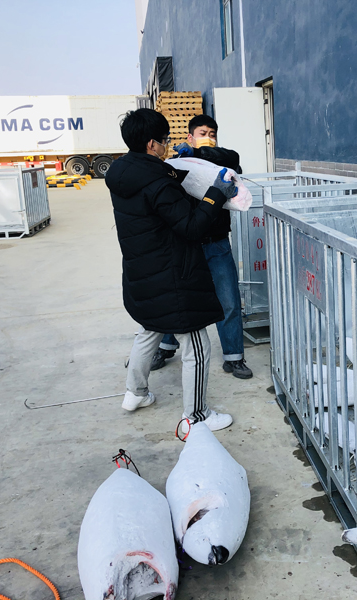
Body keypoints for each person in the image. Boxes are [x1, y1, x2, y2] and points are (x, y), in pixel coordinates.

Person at [106, 108, 238, 431]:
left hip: (141, 272)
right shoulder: (158, 183)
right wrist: (215, 194)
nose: (167, 145)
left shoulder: (123, 173)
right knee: (198, 345)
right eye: (164, 140)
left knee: (149, 329)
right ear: (151, 144)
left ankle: (135, 393)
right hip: (172, 275)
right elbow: (191, 226)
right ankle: (196, 416)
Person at [150, 115, 253, 380]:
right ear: (189, 137)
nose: (208, 137)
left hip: (217, 243)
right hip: (186, 245)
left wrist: (199, 152)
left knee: (228, 301)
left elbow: (234, 158)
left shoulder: (224, 162)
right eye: (202, 133)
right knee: (177, 298)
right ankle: (165, 347)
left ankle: (234, 357)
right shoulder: (178, 165)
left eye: (212, 134)